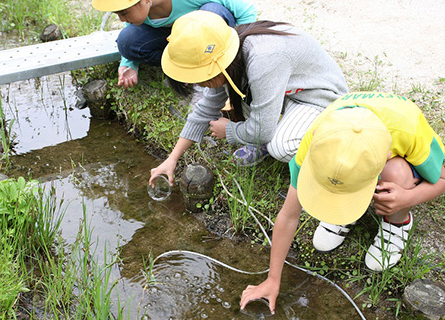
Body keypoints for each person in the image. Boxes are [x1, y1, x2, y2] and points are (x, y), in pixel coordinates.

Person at [239, 91, 445, 314]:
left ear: (383, 156)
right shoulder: (319, 139)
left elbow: (442, 178)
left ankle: (397, 222)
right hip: (356, 138)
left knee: (396, 173)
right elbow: (289, 214)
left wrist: (407, 197)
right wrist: (273, 278)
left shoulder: (407, 128)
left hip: (399, 154)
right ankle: (343, 215)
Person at [148, 10, 348, 182]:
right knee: (243, 98)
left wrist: (231, 131)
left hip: (318, 97)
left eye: (199, 77)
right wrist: (172, 158)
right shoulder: (227, 54)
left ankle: (331, 162)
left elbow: (264, 130)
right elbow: (207, 107)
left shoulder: (263, 59)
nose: (199, 83)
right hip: (287, 91)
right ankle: (262, 141)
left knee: (281, 147)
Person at [91, 0, 257, 89]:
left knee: (213, 11)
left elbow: (247, 11)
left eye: (124, 13)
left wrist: (238, 54)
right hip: (175, 37)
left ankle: (209, 66)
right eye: (118, 14)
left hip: (209, 32)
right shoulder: (140, 11)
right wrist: (129, 63)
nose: (121, 19)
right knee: (126, 43)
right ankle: (183, 67)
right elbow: (131, 26)